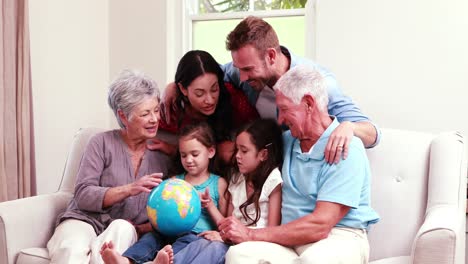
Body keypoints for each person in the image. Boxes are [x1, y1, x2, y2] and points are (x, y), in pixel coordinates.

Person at [218, 65, 380, 264]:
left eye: (285, 109)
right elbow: (244, 151)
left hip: (338, 238)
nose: (280, 119)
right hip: (288, 241)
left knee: (312, 261)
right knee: (238, 255)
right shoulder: (287, 141)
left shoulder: (347, 147)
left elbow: (321, 225)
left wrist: (250, 234)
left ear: (309, 104)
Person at [163, 16, 380, 164]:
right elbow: (206, 73)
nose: (242, 77)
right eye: (239, 69)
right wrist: (174, 85)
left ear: (271, 56)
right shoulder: (242, 72)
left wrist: (349, 127)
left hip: (300, 170)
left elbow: (373, 134)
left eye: (248, 69)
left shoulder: (319, 83)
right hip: (264, 168)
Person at [46, 70, 170, 264]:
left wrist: (142, 228)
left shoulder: (162, 157)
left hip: (124, 228)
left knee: (121, 229)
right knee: (71, 247)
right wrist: (130, 189)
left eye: (156, 110)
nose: (154, 119)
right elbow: (84, 194)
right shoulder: (101, 142)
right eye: (145, 113)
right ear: (123, 115)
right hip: (84, 220)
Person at [100, 122, 228, 264]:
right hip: (165, 232)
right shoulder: (174, 182)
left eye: (195, 154)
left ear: (211, 152)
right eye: (183, 155)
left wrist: (209, 205)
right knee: (150, 239)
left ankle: (161, 262)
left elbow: (224, 222)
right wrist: (140, 228)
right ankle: (126, 260)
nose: (188, 160)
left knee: (185, 242)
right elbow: (159, 215)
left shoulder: (219, 184)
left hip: (195, 235)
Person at [170, 118, 284, 264]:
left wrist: (226, 238)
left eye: (244, 151)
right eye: (237, 149)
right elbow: (227, 222)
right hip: (231, 241)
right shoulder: (237, 179)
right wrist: (210, 206)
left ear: (263, 155)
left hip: (256, 243)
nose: (237, 155)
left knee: (215, 248)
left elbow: (272, 230)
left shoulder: (272, 180)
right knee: (200, 242)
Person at [149, 50, 259, 166]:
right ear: (182, 89)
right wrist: (175, 150)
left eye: (214, 89)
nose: (210, 100)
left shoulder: (232, 98)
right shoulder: (171, 109)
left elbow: (260, 133)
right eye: (199, 94)